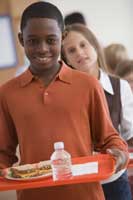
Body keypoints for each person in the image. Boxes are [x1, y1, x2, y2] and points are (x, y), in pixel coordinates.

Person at [0, 2, 129, 200]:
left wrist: (119, 152)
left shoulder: (87, 85)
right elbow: (3, 153)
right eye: (33, 41)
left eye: (51, 40)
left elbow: (109, 138)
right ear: (21, 40)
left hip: (87, 195)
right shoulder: (7, 93)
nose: (42, 49)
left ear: (61, 39)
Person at [61, 24, 133, 200]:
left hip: (115, 176)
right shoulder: (63, 94)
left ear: (94, 45)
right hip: (81, 180)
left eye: (83, 45)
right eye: (71, 50)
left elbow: (128, 132)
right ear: (66, 59)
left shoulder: (120, 86)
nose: (79, 52)